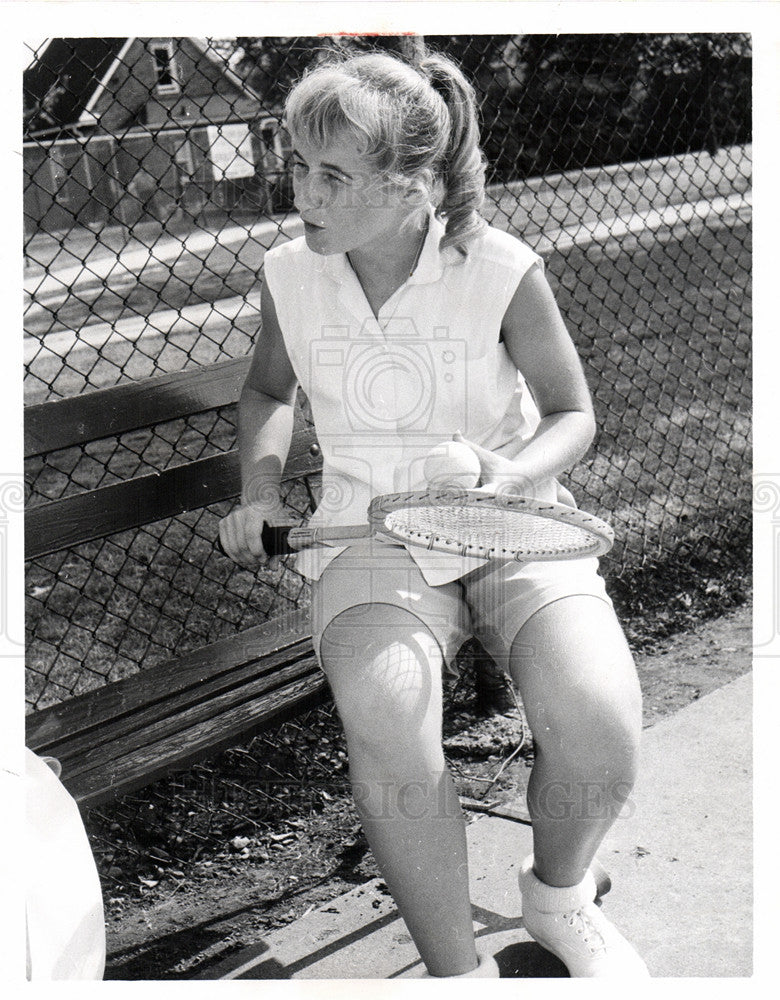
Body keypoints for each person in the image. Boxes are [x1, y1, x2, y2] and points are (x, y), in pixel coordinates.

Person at [219, 47, 648, 979]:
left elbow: (573, 413)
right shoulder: (289, 273)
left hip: (507, 524)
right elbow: (266, 392)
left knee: (598, 722)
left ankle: (560, 894)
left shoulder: (500, 267)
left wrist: (503, 476)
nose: (304, 192)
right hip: (369, 540)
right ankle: (459, 978)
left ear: (413, 181)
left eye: (332, 174)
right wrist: (258, 491)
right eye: (297, 164)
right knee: (386, 711)